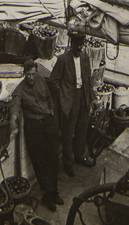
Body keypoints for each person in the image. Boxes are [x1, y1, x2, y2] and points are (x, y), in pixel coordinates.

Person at [10, 58, 64, 210]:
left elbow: (48, 98)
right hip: (34, 127)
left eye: (33, 74)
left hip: (48, 122)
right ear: (24, 73)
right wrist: (13, 118)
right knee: (40, 161)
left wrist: (51, 113)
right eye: (28, 75)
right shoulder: (20, 89)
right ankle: (48, 195)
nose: (31, 78)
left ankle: (54, 192)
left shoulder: (41, 80)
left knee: (53, 157)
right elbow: (15, 103)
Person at [49, 34, 95, 175]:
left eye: (81, 45)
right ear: (71, 43)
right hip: (70, 99)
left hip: (83, 96)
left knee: (82, 129)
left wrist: (91, 98)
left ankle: (79, 156)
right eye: (76, 45)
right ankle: (68, 163)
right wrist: (63, 96)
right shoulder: (63, 59)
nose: (79, 47)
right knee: (69, 132)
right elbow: (53, 81)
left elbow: (88, 78)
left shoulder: (85, 57)